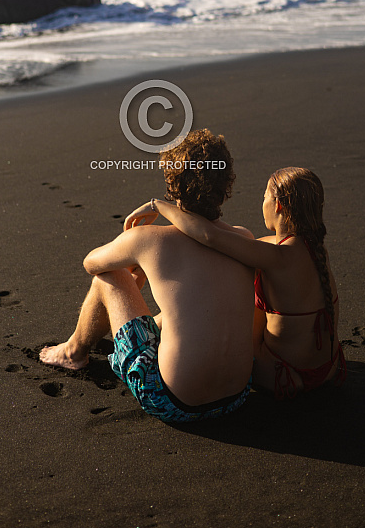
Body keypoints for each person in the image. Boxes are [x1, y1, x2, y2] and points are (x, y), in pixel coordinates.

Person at [40, 129, 255, 423]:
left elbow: (91, 263)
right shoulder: (244, 239)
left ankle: (74, 352)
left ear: (172, 180)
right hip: (236, 397)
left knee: (109, 277)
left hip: (173, 402)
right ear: (226, 182)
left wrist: (131, 242)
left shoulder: (150, 239)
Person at [125, 167, 346, 400]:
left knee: (226, 289)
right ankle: (155, 324)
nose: (262, 203)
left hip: (284, 377)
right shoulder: (313, 248)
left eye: (264, 197)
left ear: (278, 205)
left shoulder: (279, 256)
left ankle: (149, 329)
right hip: (329, 370)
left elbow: (209, 236)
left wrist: (157, 205)